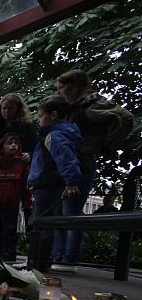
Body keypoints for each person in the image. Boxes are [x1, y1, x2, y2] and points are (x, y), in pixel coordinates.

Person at [52, 69, 134, 271]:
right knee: (60, 212)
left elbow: (123, 117)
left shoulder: (90, 105)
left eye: (63, 87)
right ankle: (58, 256)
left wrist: (102, 145)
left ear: (74, 86)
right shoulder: (70, 107)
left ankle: (69, 259)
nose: (60, 91)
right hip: (65, 164)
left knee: (71, 212)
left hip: (82, 163)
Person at [27, 95, 83, 272]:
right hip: (48, 183)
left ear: (53, 115)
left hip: (47, 183)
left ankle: (38, 263)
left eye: (41, 115)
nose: (39, 120)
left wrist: (71, 181)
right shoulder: (60, 133)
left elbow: (66, 158)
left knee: (42, 223)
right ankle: (43, 261)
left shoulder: (54, 135)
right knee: (48, 222)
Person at [0, 134, 31, 262]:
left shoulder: (22, 165)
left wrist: (27, 203)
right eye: (9, 143)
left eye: (16, 143)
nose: (13, 145)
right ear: (2, 148)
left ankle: (9, 254)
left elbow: (26, 186)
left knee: (10, 230)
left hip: (11, 205)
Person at [0, 93, 37, 162]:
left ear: (18, 109)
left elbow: (36, 148)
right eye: (4, 108)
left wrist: (30, 155)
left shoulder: (27, 128)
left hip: (22, 168)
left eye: (11, 108)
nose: (7, 111)